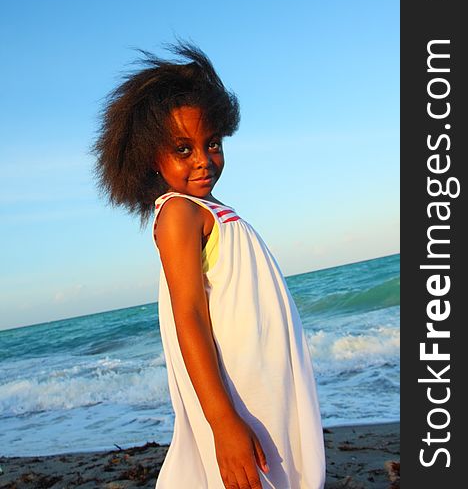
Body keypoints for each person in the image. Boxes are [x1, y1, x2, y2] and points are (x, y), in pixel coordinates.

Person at [93, 42, 326, 489]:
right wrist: (222, 421)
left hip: (262, 378)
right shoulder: (180, 212)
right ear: (149, 158)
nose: (203, 159)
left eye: (212, 143)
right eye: (183, 149)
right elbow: (190, 318)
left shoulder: (213, 209)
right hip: (239, 390)